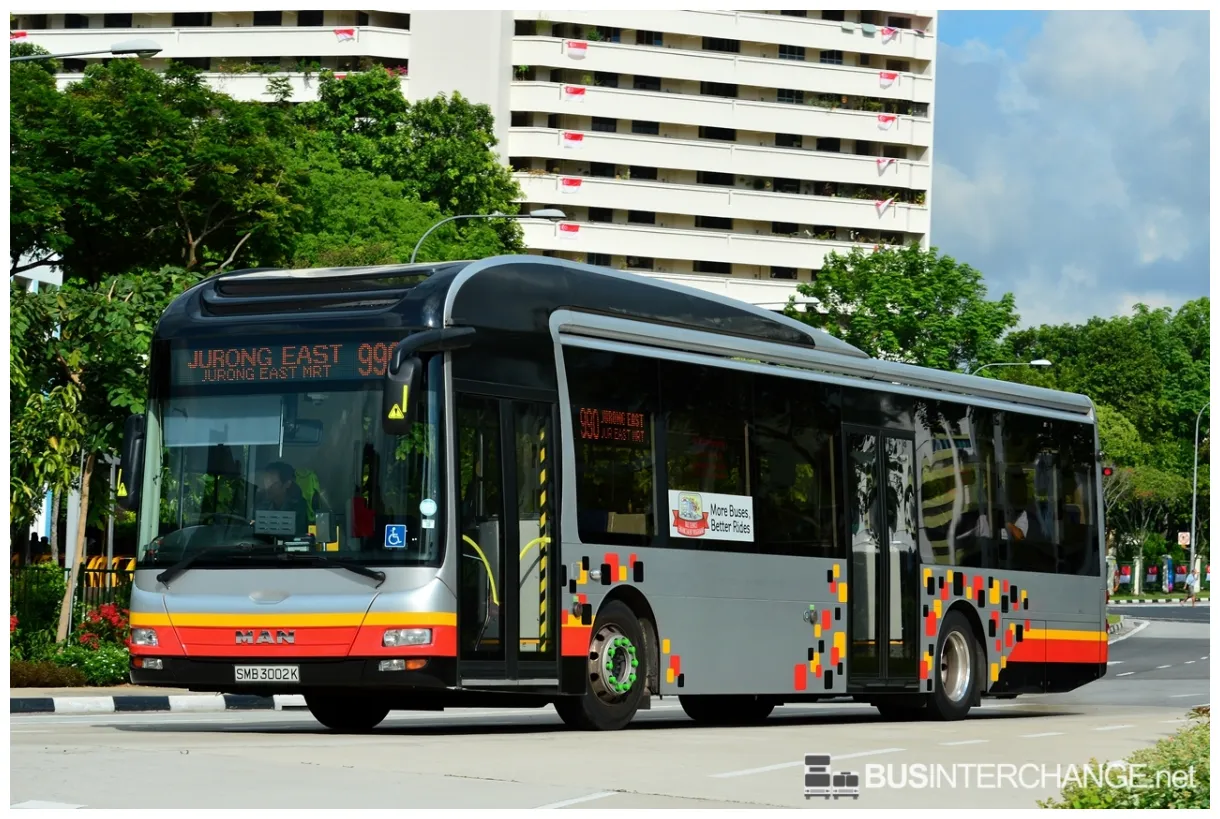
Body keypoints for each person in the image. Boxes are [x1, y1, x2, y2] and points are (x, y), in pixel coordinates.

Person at [254, 461, 311, 537]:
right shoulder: (261, 506)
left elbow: (296, 535)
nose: (268, 486)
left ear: (287, 484)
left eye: (273, 483)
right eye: (266, 480)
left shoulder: (298, 507)